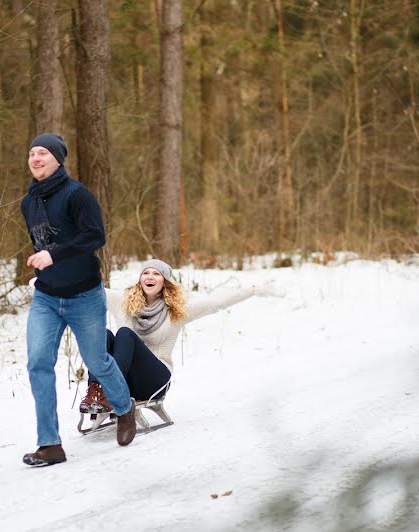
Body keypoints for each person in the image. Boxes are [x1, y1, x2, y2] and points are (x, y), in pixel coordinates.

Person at [21, 133, 136, 467]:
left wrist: (53, 255)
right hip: (45, 298)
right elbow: (42, 241)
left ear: (58, 159)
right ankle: (50, 444)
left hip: (84, 295)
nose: (36, 158)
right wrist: (44, 265)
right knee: (38, 363)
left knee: (96, 360)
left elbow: (94, 236)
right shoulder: (27, 203)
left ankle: (124, 407)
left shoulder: (77, 195)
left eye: (43, 152)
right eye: (31, 153)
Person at [80, 259, 274, 412]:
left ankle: (111, 389)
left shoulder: (176, 311)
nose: (150, 276)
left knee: (125, 334)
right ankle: (97, 390)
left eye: (156, 273)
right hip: (128, 378)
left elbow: (216, 302)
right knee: (104, 334)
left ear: (165, 281)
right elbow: (89, 290)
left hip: (154, 380)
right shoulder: (123, 301)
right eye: (146, 273)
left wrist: (254, 290)